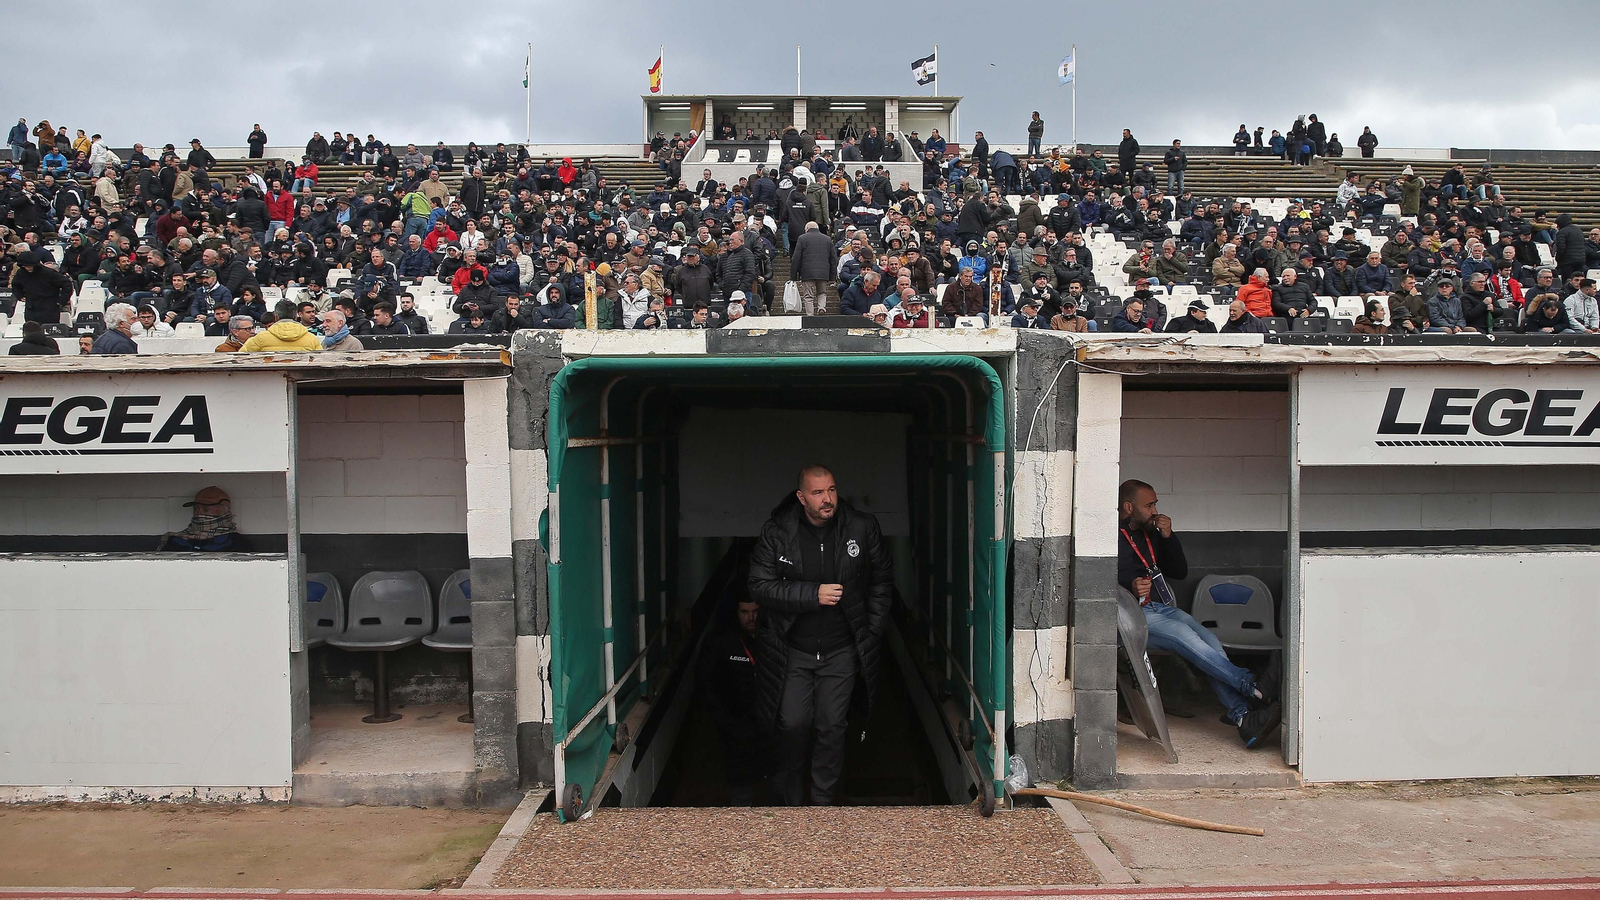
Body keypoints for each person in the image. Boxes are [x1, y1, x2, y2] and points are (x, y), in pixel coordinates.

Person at [748, 464, 892, 807]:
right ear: (801, 498)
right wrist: (812, 594)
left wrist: (871, 630)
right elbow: (759, 586)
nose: (827, 499)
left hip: (841, 648)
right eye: (817, 493)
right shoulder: (778, 532)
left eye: (830, 490)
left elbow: (882, 581)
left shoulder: (861, 527)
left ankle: (823, 802)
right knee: (792, 724)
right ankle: (791, 798)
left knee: (832, 726)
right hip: (793, 649)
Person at [1117, 480, 1280, 747]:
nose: (1155, 510)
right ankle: (1252, 686)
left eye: (1156, 503)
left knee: (1211, 642)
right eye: (1149, 505)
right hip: (1134, 615)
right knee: (1185, 636)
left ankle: (1243, 718)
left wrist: (1169, 537)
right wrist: (1129, 585)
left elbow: (1179, 571)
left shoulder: (1151, 532)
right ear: (1128, 507)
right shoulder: (1110, 535)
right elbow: (1099, 581)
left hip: (1162, 607)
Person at [698, 591, 771, 806]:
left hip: (770, 722)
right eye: (745, 612)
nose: (751, 618)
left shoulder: (774, 638)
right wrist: (724, 720)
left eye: (756, 611)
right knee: (740, 781)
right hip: (735, 724)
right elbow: (705, 683)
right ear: (735, 612)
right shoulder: (719, 642)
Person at [158, 486, 251, 552]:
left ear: (224, 512)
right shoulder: (177, 540)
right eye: (196, 509)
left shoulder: (235, 543)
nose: (199, 513)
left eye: (206, 509)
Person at [790, 221, 837, 315]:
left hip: (807, 272)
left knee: (808, 296)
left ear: (807, 229)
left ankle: (810, 315)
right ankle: (821, 307)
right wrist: (832, 277)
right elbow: (833, 259)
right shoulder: (827, 239)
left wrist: (793, 276)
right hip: (824, 272)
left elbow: (796, 258)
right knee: (822, 292)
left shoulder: (802, 238)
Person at [241, 301, 323, 351]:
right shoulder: (311, 339)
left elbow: (241, 357)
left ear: (276, 317)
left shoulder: (260, 338)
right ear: (295, 316)